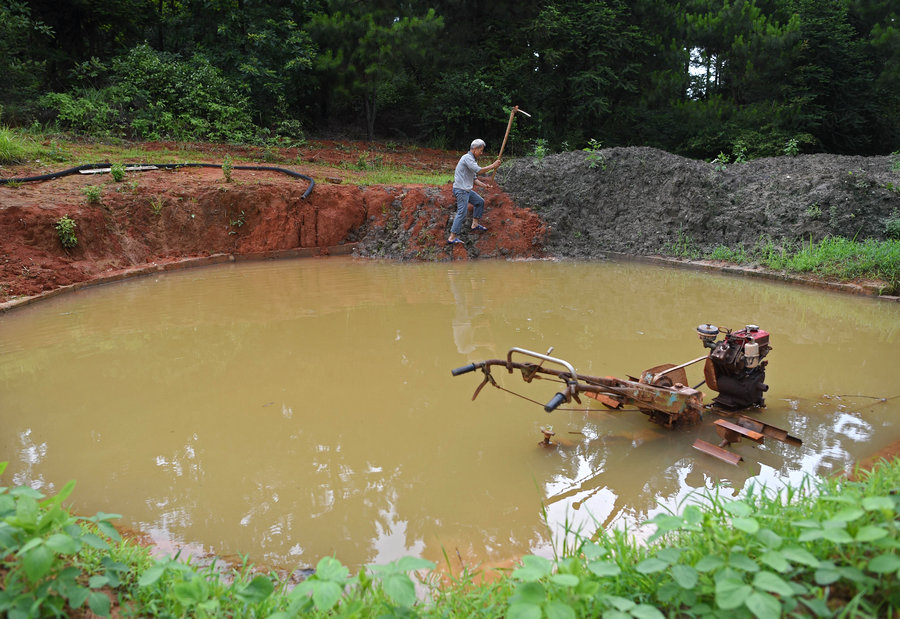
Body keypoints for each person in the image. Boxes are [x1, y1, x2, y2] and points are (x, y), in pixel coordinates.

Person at [447, 139, 501, 245]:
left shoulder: (472, 160)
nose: (481, 153)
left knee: (479, 202)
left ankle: (475, 224)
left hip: (466, 190)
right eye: (480, 150)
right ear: (475, 149)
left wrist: (485, 186)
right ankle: (452, 238)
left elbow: (474, 179)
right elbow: (479, 170)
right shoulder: (467, 158)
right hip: (461, 190)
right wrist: (493, 166)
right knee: (462, 213)